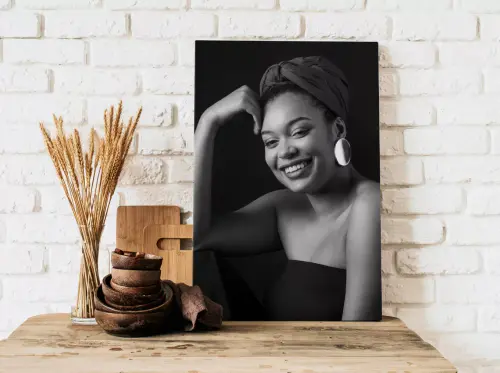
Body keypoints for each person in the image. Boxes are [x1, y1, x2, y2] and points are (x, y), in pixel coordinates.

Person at [194, 56, 381, 321]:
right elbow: (196, 238)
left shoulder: (368, 204)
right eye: (271, 142)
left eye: (299, 131)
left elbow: (359, 339)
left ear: (337, 128)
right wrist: (208, 123)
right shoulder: (284, 208)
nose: (285, 151)